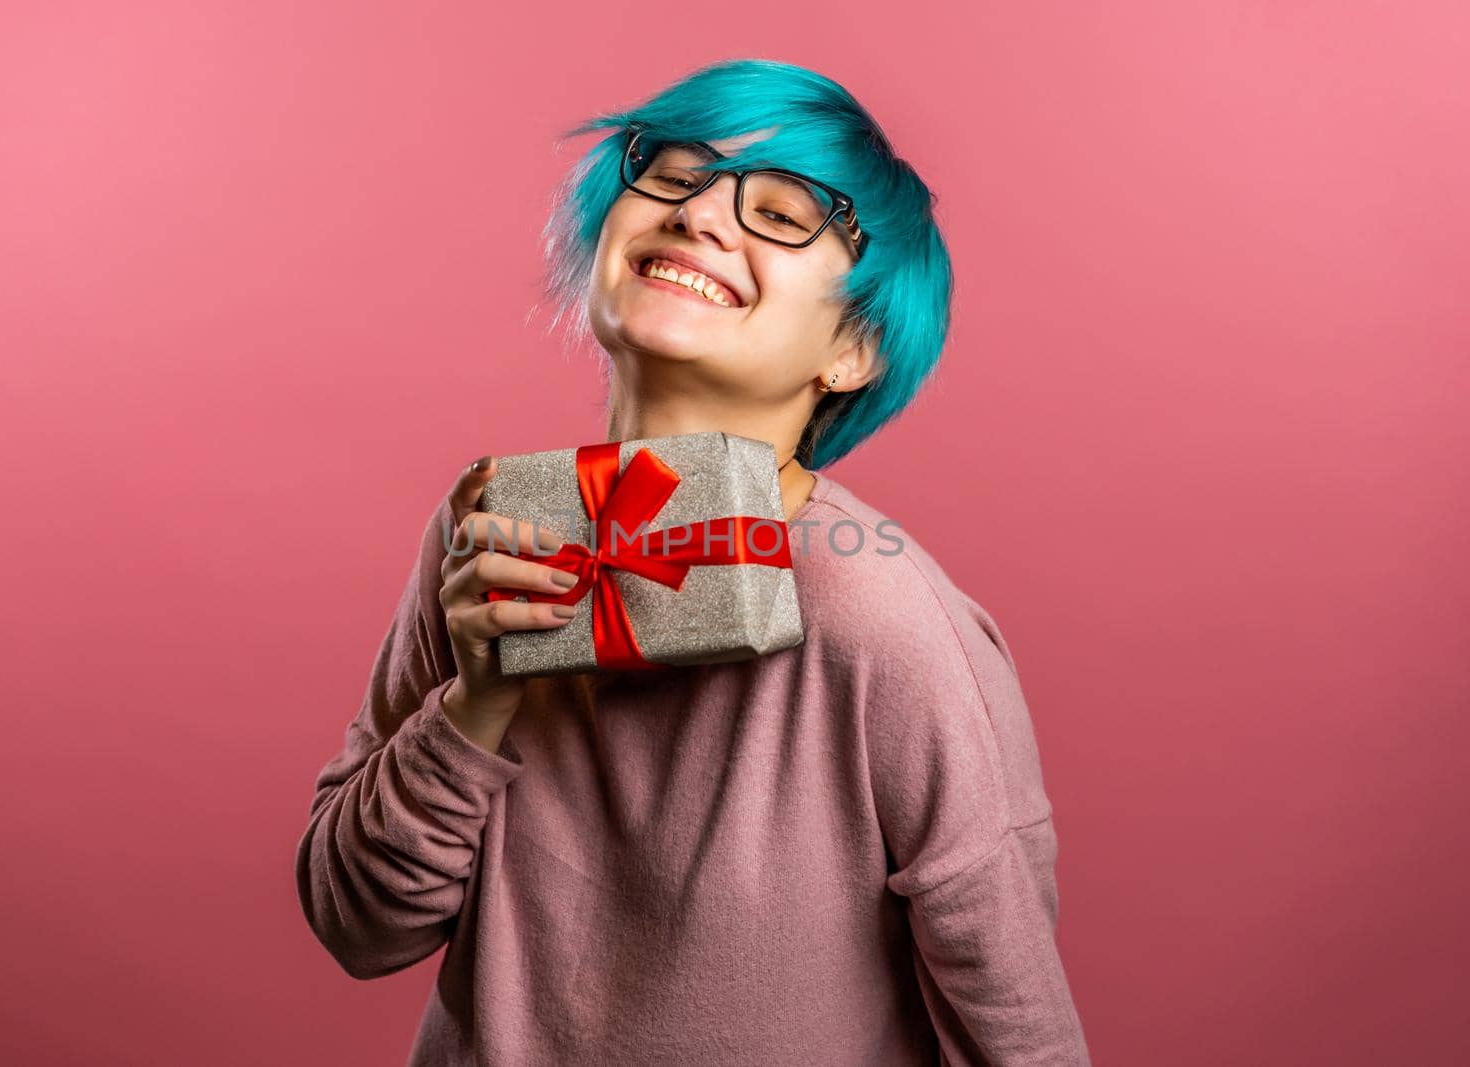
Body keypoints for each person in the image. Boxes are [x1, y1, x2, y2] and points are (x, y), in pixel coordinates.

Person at [295, 58, 1092, 1065]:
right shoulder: (489, 532)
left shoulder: (889, 620)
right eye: (671, 171)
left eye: (784, 209)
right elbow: (356, 924)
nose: (701, 212)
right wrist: (474, 701)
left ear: (852, 350)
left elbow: (1014, 1030)